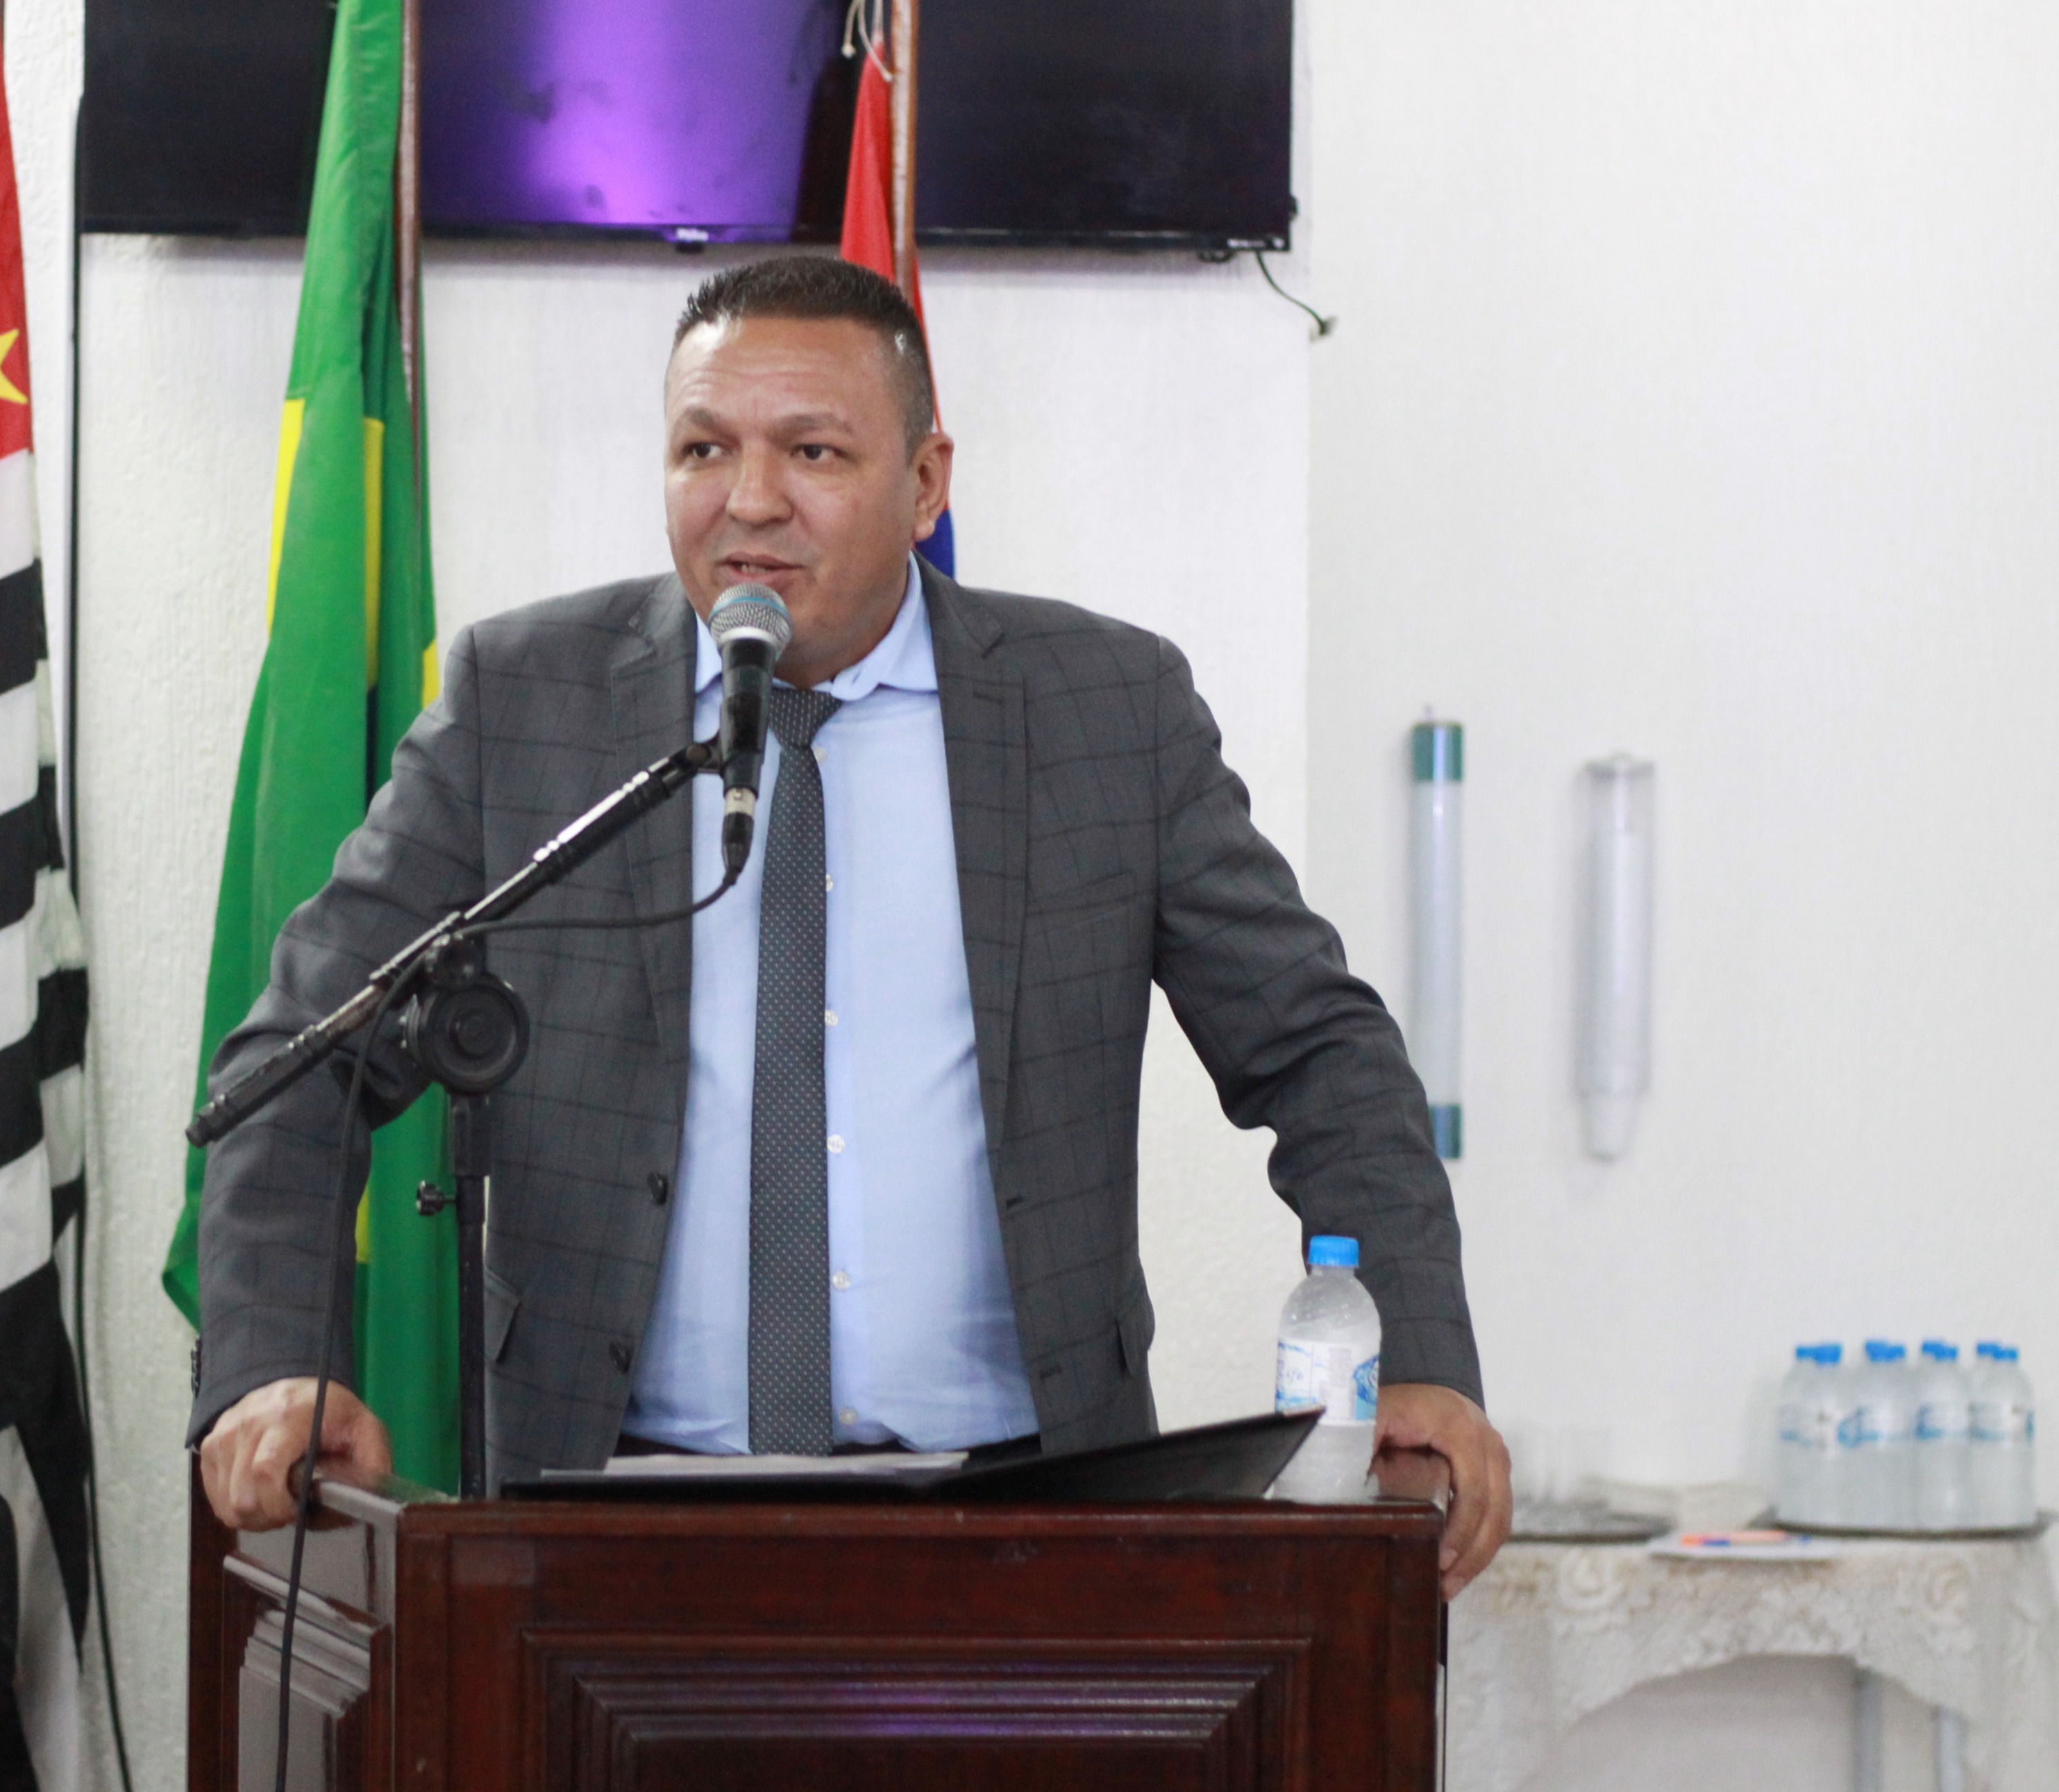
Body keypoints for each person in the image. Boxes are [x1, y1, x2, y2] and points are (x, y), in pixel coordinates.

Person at [194, 257, 1511, 1597]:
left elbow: (1318, 1048)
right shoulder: (524, 704)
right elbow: (302, 1055)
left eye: (812, 451)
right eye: (704, 448)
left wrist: (1414, 1352)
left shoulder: (1107, 710)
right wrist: (276, 1359)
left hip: (1028, 1515)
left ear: (926, 483)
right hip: (603, 1516)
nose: (750, 499)